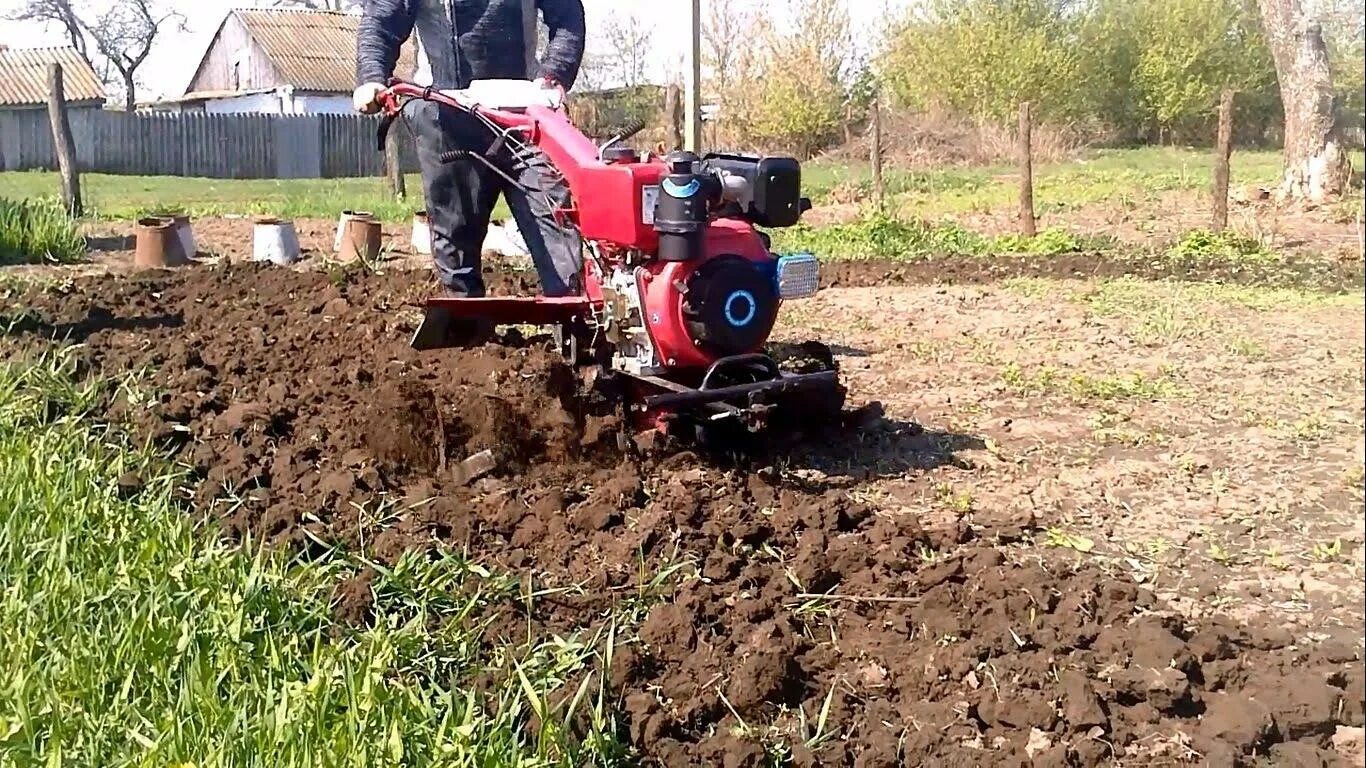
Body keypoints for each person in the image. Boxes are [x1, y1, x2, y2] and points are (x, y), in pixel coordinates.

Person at [353, 0, 587, 303]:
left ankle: (575, 325)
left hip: (524, 119)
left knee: (556, 224)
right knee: (454, 239)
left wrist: (553, 75)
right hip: (447, 114)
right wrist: (372, 77)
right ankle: (467, 327)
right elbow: (382, 21)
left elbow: (567, 16)